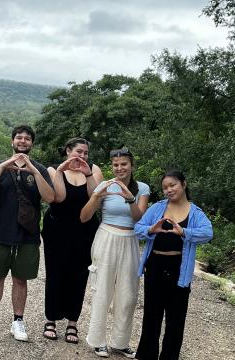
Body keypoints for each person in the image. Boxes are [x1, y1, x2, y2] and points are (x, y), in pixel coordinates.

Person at [0, 125, 54, 342]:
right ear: (12, 141)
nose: (22, 141)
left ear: (32, 144)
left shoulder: (39, 168)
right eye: (19, 137)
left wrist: (34, 171)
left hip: (27, 234)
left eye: (27, 138)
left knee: (21, 279)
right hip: (0, 231)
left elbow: (50, 197)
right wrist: (3, 167)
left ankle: (18, 321)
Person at [134, 170, 213, 360]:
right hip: (155, 266)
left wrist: (184, 232)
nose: (168, 190)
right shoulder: (157, 208)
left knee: (175, 320)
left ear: (183, 184)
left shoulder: (195, 213)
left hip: (179, 268)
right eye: (164, 187)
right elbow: (137, 228)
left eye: (172, 185)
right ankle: (146, 355)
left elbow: (208, 233)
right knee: (151, 316)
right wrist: (152, 229)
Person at [80, 148, 150, 358]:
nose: (120, 168)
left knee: (128, 295)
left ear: (131, 165)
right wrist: (96, 197)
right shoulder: (105, 185)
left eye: (124, 164)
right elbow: (84, 217)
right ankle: (97, 340)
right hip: (106, 237)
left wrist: (130, 198)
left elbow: (140, 219)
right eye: (116, 165)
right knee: (102, 290)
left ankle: (120, 342)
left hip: (130, 240)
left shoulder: (143, 188)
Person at [41, 138, 103, 343]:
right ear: (68, 151)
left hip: (85, 230)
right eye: (78, 151)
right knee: (55, 273)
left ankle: (72, 323)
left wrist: (87, 173)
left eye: (85, 152)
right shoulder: (53, 170)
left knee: (78, 275)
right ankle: (51, 319)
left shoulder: (94, 170)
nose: (82, 156)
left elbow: (96, 198)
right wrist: (60, 171)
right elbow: (58, 197)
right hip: (57, 229)